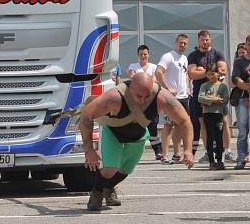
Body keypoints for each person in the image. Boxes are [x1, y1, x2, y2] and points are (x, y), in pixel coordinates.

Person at [80, 73, 194, 211]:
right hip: (112, 131)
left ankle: (109, 188)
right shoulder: (114, 97)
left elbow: (184, 120)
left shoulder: (161, 97)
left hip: (138, 134)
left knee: (126, 169)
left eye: (147, 96)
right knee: (110, 169)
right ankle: (96, 192)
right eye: (139, 96)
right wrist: (89, 150)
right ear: (131, 89)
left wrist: (188, 149)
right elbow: (86, 116)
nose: (143, 100)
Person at [187, 30, 228, 162]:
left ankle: (226, 151)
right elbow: (192, 74)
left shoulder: (217, 53)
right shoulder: (193, 56)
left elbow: (223, 70)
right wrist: (210, 72)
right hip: (201, 93)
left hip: (218, 92)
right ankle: (207, 151)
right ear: (198, 41)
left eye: (207, 40)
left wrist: (202, 71)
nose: (205, 42)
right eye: (202, 40)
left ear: (210, 40)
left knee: (224, 122)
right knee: (203, 123)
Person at [155, 34, 190, 165]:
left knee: (181, 125)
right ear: (176, 42)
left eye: (185, 43)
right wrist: (167, 89)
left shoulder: (185, 58)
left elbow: (185, 74)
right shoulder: (168, 56)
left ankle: (177, 154)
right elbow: (158, 72)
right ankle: (165, 155)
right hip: (171, 98)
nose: (182, 45)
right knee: (168, 125)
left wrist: (187, 87)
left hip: (183, 97)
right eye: (181, 43)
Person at [231, 34, 250, 169]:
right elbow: (235, 79)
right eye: (249, 45)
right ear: (246, 45)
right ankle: (241, 158)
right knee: (243, 131)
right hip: (243, 98)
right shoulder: (239, 61)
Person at [127, 45, 162, 159]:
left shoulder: (154, 67)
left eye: (145, 54)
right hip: (137, 103)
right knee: (136, 128)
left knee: (153, 128)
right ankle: (133, 154)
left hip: (151, 102)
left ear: (148, 54)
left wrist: (142, 79)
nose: (143, 56)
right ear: (138, 55)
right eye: (141, 54)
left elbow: (155, 80)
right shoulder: (133, 66)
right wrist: (148, 79)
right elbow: (133, 77)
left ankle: (158, 152)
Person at [199, 64, 229, 170]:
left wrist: (212, 98)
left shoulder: (222, 86)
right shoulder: (204, 85)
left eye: (213, 74)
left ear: (218, 74)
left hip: (218, 114)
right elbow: (200, 98)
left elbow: (225, 99)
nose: (211, 76)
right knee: (210, 137)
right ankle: (211, 161)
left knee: (219, 137)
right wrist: (214, 100)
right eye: (209, 74)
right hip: (208, 114)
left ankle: (220, 160)